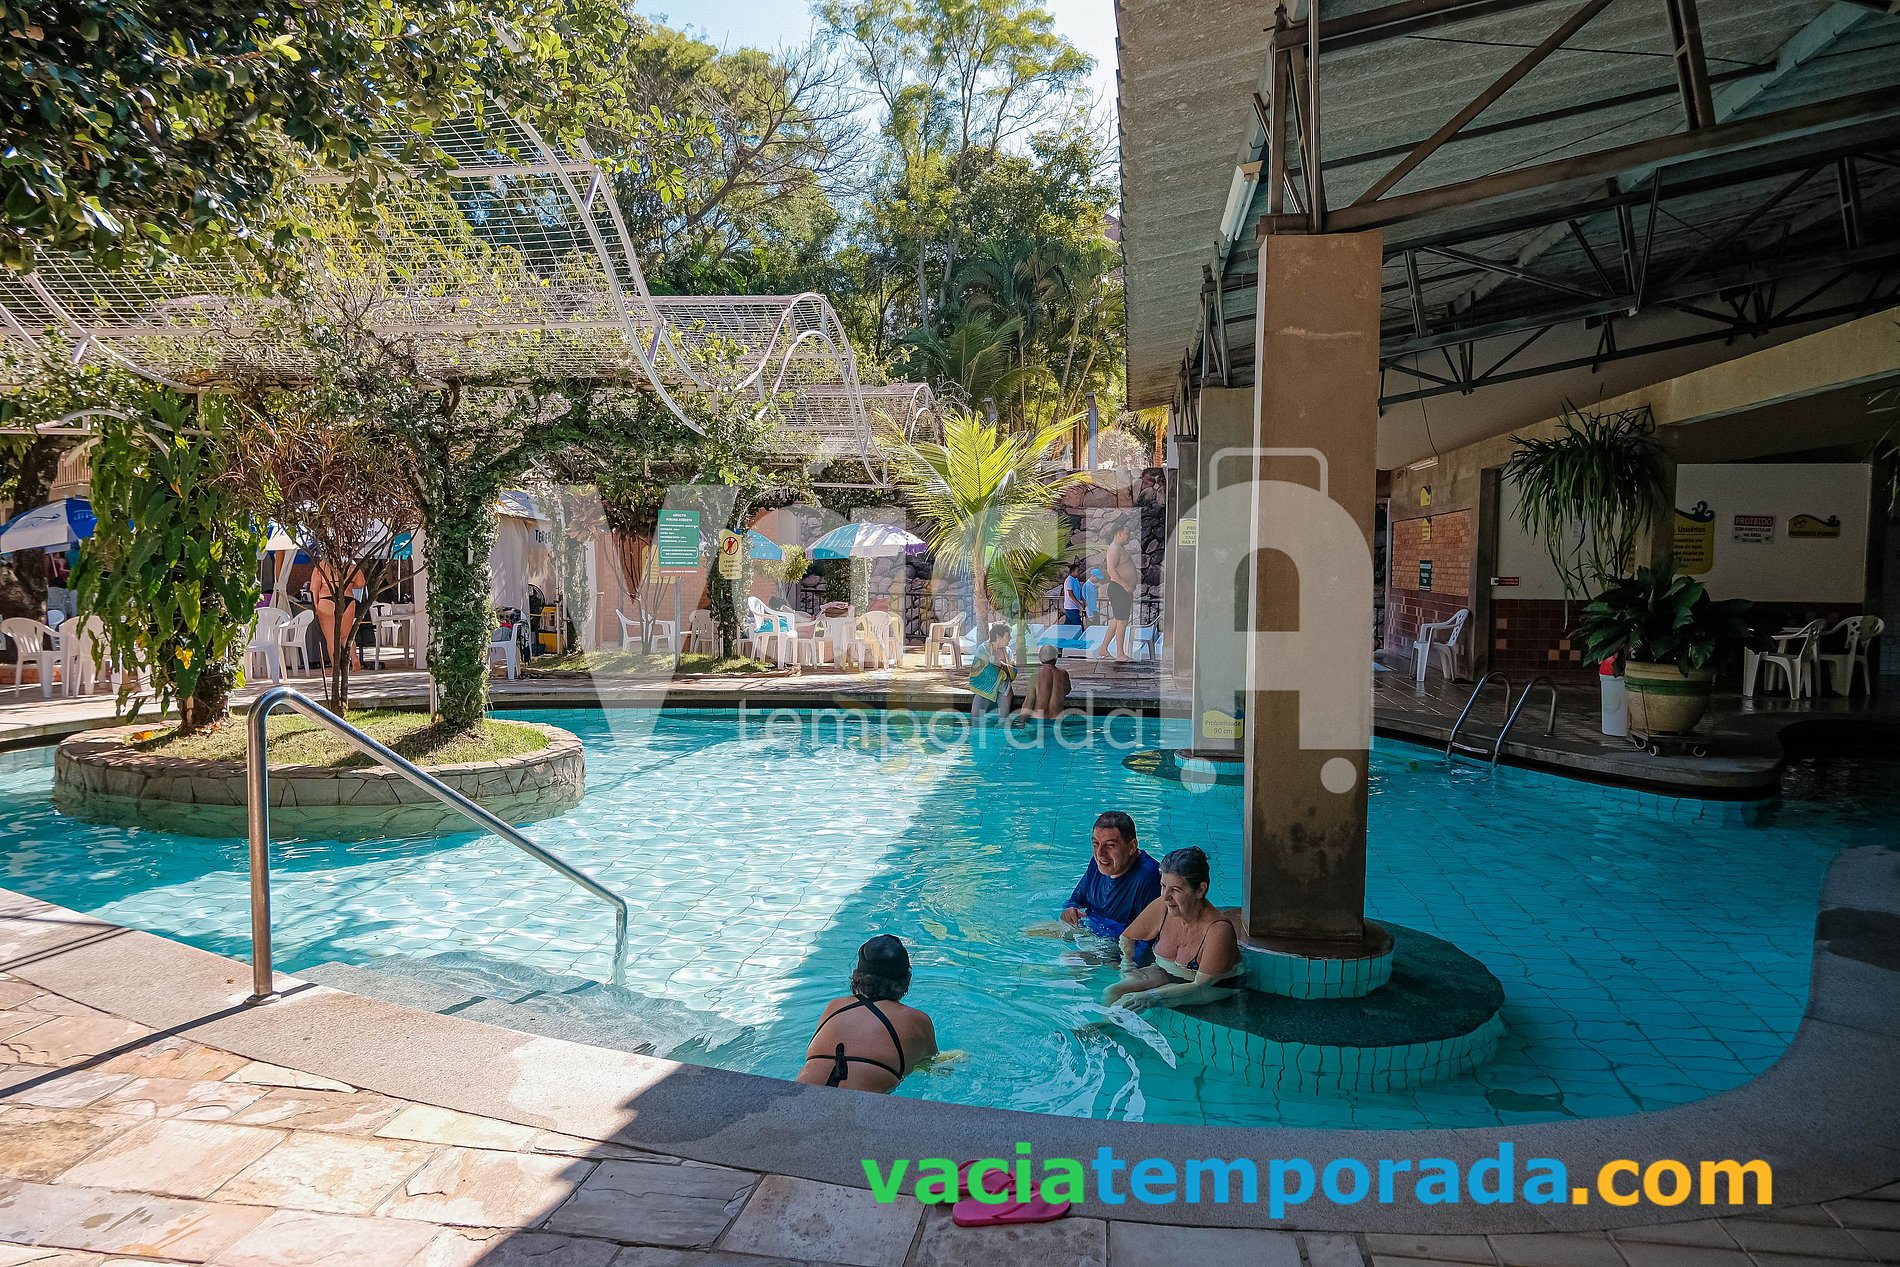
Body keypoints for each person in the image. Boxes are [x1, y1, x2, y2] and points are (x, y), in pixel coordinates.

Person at [1101, 846, 1241, 1012]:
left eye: (1175, 890)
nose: (1166, 896)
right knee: (1111, 991)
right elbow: (1127, 937)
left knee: (1126, 1002)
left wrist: (1153, 996)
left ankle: (1102, 1027)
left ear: (1200, 890)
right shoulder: (1163, 907)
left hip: (1209, 987)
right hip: (1164, 972)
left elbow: (1201, 986)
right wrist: (1128, 967)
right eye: (1163, 886)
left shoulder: (1218, 930)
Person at [798, 935, 937, 1092]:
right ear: (907, 979)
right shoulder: (916, 1021)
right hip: (858, 1106)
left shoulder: (834, 1006)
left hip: (796, 1099)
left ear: (856, 975)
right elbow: (931, 1065)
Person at [1061, 811, 1162, 958]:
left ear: (1132, 847)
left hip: (1117, 945)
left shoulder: (1149, 877)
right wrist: (1071, 910)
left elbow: (1149, 938)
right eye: (1096, 844)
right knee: (1030, 932)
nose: (1100, 854)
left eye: (1110, 845)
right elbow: (1076, 899)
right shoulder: (1098, 863)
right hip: (1090, 928)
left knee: (1068, 960)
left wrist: (1124, 963)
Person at [1102, 527, 1138, 660]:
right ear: (1119, 533)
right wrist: (1125, 584)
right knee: (1122, 621)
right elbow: (1111, 570)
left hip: (1123, 589)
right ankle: (1120, 654)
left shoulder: (1120, 548)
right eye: (1127, 534)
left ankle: (1103, 648)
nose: (1129, 536)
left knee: (1117, 620)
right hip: (1119, 588)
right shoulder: (1114, 549)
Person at [967, 622, 1016, 720]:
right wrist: (1003, 668)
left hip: (1003, 687)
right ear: (998, 636)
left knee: (1004, 719)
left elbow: (1013, 672)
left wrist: (999, 664)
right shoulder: (983, 649)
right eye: (1008, 636)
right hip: (985, 687)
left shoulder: (1008, 651)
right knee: (975, 717)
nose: (1010, 638)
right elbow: (978, 671)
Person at [1020, 644, 1071, 720]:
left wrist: (1021, 721)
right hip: (1057, 720)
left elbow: (1029, 704)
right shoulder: (1063, 674)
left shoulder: (1035, 678)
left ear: (1040, 659)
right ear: (1056, 658)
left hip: (1038, 720)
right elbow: (1067, 691)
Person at [1060, 562, 1088, 628]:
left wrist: (1082, 600)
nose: (1079, 572)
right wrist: (1079, 604)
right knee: (1079, 626)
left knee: (1068, 626)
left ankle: (1064, 633)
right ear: (1073, 571)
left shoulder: (1076, 580)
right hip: (1071, 607)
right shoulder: (1069, 580)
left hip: (1074, 607)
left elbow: (1078, 591)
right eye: (1077, 571)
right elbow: (1070, 593)